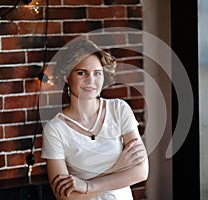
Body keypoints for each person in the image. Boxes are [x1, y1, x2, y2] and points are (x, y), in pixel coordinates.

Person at [41, 39, 149, 200]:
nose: (91, 80)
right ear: (66, 77)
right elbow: (64, 196)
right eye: (81, 72)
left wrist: (87, 186)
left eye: (97, 73)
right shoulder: (55, 129)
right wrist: (117, 168)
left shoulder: (119, 109)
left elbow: (141, 171)